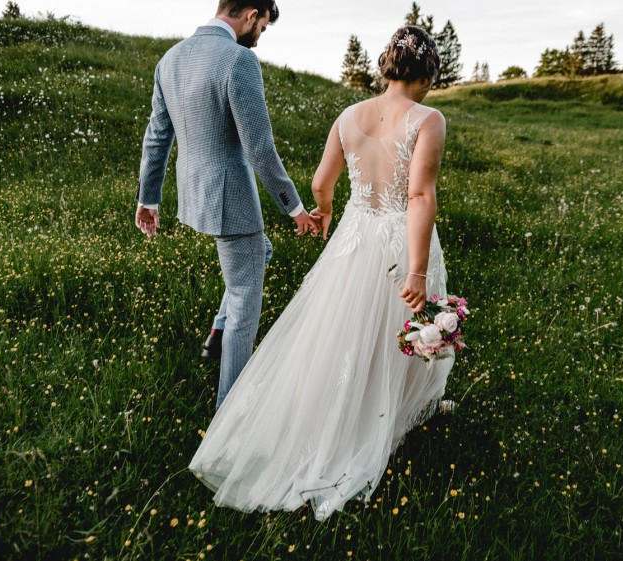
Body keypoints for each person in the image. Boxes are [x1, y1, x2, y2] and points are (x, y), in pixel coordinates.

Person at [189, 25, 453, 521]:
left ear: (386, 66)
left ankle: (350, 409)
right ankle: (384, 416)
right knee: (397, 321)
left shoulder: (349, 116)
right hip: (398, 238)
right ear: (429, 72)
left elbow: (320, 180)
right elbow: (419, 196)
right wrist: (416, 270)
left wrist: (326, 210)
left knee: (341, 327)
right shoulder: (428, 119)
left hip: (355, 234)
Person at [134, 0, 319, 409]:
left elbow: (156, 136)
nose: (260, 36)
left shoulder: (170, 59)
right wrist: (295, 208)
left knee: (259, 254)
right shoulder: (238, 61)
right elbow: (259, 148)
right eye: (263, 27)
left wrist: (149, 198)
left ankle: (216, 335)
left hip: (195, 195)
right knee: (244, 302)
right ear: (251, 14)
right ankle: (229, 414)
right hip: (229, 200)